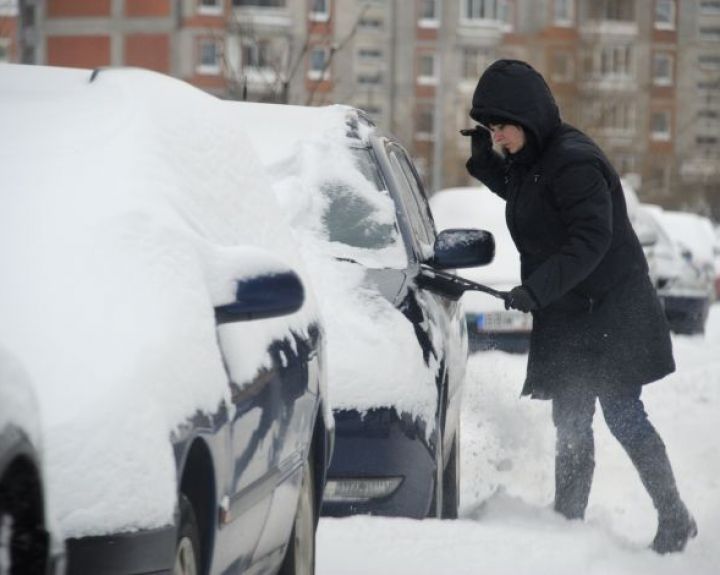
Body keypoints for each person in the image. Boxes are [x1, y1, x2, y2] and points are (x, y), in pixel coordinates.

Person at [464, 59, 697, 554]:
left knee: (623, 415)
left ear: (527, 118)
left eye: (500, 128)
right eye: (490, 130)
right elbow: (529, 195)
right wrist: (487, 161)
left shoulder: (574, 160)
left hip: (612, 310)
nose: (498, 138)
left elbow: (592, 237)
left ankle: (675, 517)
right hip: (574, 311)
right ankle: (568, 521)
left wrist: (538, 289)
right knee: (570, 419)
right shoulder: (538, 160)